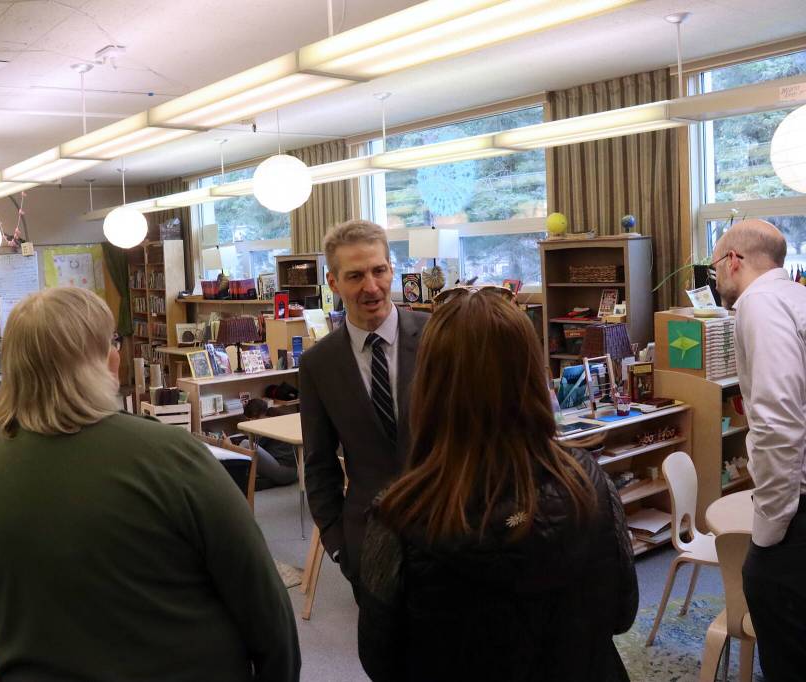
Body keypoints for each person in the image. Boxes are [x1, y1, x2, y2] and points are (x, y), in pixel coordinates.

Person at [0, 287, 299, 682]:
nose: (117, 354)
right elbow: (264, 604)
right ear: (95, 361)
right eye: (112, 342)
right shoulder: (172, 455)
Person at [357, 288, 638, 682]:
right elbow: (622, 614)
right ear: (533, 379)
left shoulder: (397, 516)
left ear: (429, 388)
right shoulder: (589, 481)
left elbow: (381, 661)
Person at [300, 219, 429, 590]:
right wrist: (339, 545)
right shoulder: (319, 364)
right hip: (368, 542)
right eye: (356, 276)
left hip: (448, 531)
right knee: (381, 649)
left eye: (379, 271)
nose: (371, 287)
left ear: (392, 269)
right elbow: (319, 463)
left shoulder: (437, 337)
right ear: (334, 283)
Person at [711, 219, 806, 681]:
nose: (714, 282)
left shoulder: (759, 303)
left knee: (782, 633)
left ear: (734, 261)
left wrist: (769, 527)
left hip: (797, 510)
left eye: (714, 269)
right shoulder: (794, 296)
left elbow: (777, 421)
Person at [238, 399, 298, 490]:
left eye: (252, 419)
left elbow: (256, 448)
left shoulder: (269, 423)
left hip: (284, 470)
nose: (251, 422)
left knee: (246, 444)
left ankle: (236, 477)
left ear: (259, 415)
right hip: (290, 471)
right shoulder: (276, 418)